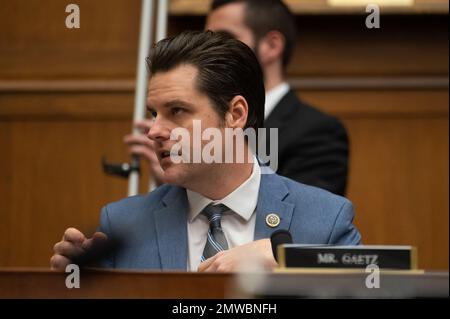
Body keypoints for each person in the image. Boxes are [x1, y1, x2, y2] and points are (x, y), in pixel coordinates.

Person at [51, 31, 360, 272]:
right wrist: (75, 284)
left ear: (236, 114)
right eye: (154, 113)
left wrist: (293, 263)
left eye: (177, 110)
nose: (155, 130)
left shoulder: (325, 220)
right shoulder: (122, 224)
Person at [125, 0, 349, 196]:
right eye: (208, 39)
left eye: (225, 38)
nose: (213, 50)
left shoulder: (319, 132)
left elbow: (305, 220)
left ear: (272, 45)